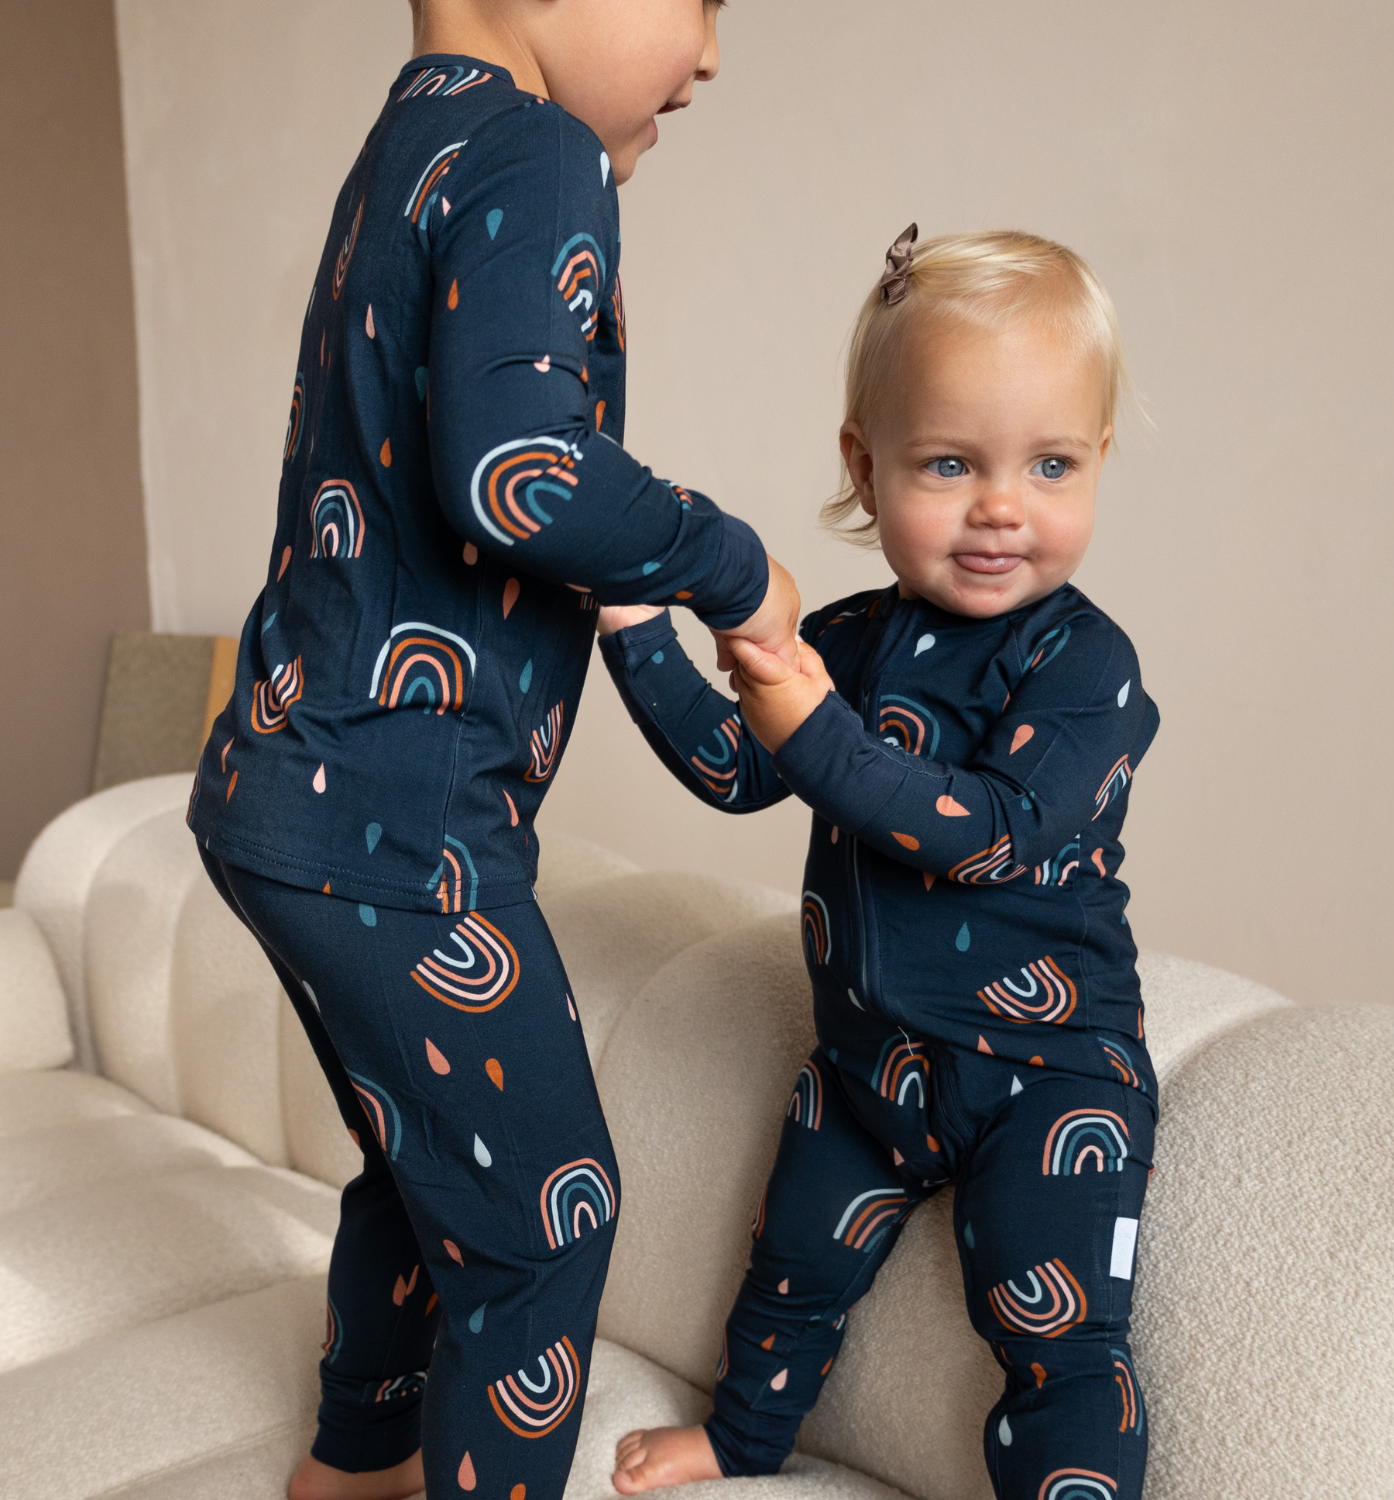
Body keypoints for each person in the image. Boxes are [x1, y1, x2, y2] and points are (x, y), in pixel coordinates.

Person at [187, 4, 799, 1499]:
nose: (711, 56)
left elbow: (504, 487)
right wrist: (729, 565)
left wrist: (657, 624)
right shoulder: (539, 147)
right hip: (398, 816)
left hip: (284, 787)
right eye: (700, 2)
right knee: (544, 1221)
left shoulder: (411, 144)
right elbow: (521, 474)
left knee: (429, 1174)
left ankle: (356, 1465)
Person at [600, 228, 1160, 1500]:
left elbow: (985, 830)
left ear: (1098, 461)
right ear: (866, 465)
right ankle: (745, 1438)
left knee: (1059, 1336)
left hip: (1048, 1073)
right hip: (866, 1072)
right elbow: (739, 769)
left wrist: (815, 730)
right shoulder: (850, 641)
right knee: (790, 1266)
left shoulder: (1088, 668)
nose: (1001, 506)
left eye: (1052, 464)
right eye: (950, 463)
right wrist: (634, 627)